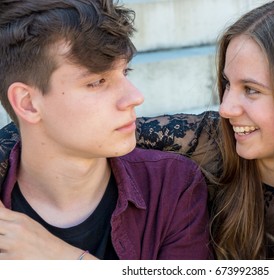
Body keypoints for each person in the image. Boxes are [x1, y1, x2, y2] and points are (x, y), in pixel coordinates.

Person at [0, 0, 274, 260]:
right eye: (226, 84)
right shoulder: (207, 142)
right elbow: (53, 135)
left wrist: (64, 259)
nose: (225, 108)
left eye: (251, 90)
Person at [0, 0, 210, 260]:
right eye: (97, 82)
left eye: (125, 72)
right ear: (28, 103)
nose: (134, 97)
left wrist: (64, 259)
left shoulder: (171, 185)